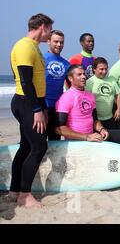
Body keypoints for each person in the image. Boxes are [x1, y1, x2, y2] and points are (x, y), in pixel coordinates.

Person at [9, 13, 54, 208]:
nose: (50, 34)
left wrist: (42, 107)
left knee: (26, 146)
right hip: (26, 103)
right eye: (50, 29)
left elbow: (37, 81)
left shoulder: (34, 48)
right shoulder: (24, 46)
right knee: (39, 147)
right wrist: (36, 108)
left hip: (33, 103)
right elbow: (25, 81)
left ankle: (14, 190)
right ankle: (25, 195)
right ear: (42, 26)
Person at [55, 65, 120, 146]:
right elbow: (59, 129)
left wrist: (101, 129)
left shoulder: (90, 96)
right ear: (70, 78)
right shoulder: (66, 97)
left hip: (91, 138)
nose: (83, 77)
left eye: (84, 74)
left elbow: (95, 120)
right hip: (76, 142)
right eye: (79, 75)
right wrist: (87, 137)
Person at [44, 30, 71, 141]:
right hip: (42, 107)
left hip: (58, 109)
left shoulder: (66, 64)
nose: (59, 45)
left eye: (61, 42)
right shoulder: (41, 59)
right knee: (38, 142)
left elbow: (70, 88)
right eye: (56, 41)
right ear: (48, 41)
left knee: (55, 141)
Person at [86, 57, 120, 130]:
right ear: (94, 69)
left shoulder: (111, 80)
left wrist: (119, 109)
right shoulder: (89, 82)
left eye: (106, 69)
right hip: (96, 120)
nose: (104, 71)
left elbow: (118, 94)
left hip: (110, 118)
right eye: (101, 69)